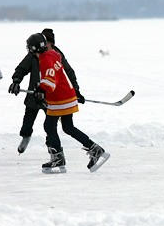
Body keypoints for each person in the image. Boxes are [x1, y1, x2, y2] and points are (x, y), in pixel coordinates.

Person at [22, 32, 109, 173]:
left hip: (60, 98)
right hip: (66, 96)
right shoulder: (51, 55)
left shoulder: (45, 59)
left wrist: (41, 90)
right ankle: (95, 149)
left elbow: (50, 80)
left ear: (33, 49)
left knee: (49, 126)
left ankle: (58, 159)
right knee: (68, 127)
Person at [8, 28, 84, 154]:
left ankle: (52, 146)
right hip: (34, 92)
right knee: (28, 119)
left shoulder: (56, 55)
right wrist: (16, 80)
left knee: (50, 125)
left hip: (50, 96)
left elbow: (68, 73)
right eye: (45, 42)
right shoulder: (34, 54)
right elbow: (22, 67)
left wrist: (75, 90)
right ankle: (26, 136)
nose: (46, 45)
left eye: (49, 43)